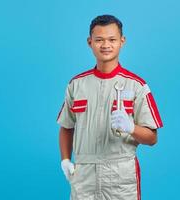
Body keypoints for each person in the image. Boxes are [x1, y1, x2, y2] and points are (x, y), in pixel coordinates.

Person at [57, 14, 163, 200]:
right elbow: (66, 126)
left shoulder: (136, 86)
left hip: (121, 176)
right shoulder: (76, 85)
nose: (106, 45)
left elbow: (152, 138)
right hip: (85, 174)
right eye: (99, 40)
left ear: (122, 41)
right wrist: (65, 160)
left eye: (112, 39)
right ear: (90, 42)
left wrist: (131, 128)